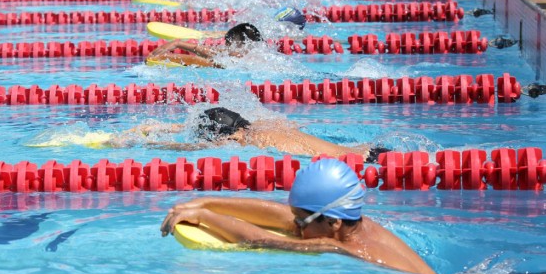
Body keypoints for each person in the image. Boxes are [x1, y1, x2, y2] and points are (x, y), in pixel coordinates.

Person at [160, 159, 437, 274]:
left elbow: (262, 240)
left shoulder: (341, 246)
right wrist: (208, 200)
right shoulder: (355, 224)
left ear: (333, 223)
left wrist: (206, 217)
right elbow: (278, 215)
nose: (293, 227)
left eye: (300, 223)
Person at [108, 107, 389, 162]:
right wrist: (178, 127)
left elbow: (189, 151)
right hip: (370, 151)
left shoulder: (240, 140)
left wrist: (139, 140)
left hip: (361, 167)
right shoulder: (267, 124)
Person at [146, 23, 262, 68]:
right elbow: (215, 53)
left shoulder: (240, 58)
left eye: (228, 43)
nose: (225, 47)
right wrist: (178, 43)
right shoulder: (257, 56)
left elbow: (210, 61)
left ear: (244, 44)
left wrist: (169, 58)